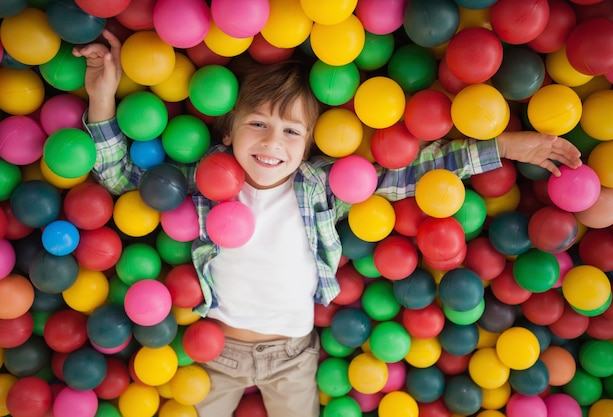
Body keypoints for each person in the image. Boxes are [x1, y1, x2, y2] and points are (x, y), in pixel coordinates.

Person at [73, 29, 582, 417]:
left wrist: (506, 147)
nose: (272, 143)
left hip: (293, 357)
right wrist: (102, 95)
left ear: (311, 144)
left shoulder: (319, 186)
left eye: (291, 131)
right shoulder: (204, 180)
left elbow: (413, 173)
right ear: (228, 130)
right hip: (214, 353)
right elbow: (125, 181)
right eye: (257, 124)